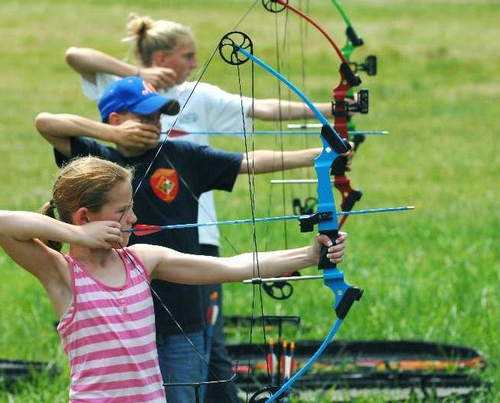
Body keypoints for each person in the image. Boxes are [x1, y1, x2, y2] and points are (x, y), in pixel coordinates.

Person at [64, 13, 338, 403]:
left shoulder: (178, 161)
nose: (156, 122)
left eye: (160, 114)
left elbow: (247, 169)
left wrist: (321, 156)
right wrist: (111, 136)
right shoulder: (98, 162)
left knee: (194, 379)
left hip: (182, 305)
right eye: (146, 115)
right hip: (116, 323)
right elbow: (48, 122)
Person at [0, 156, 347, 403]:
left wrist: (309, 255)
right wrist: (78, 236)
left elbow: (232, 267)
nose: (134, 216)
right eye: (122, 210)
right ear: (85, 217)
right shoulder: (63, 274)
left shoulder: (142, 261)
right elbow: (2, 223)